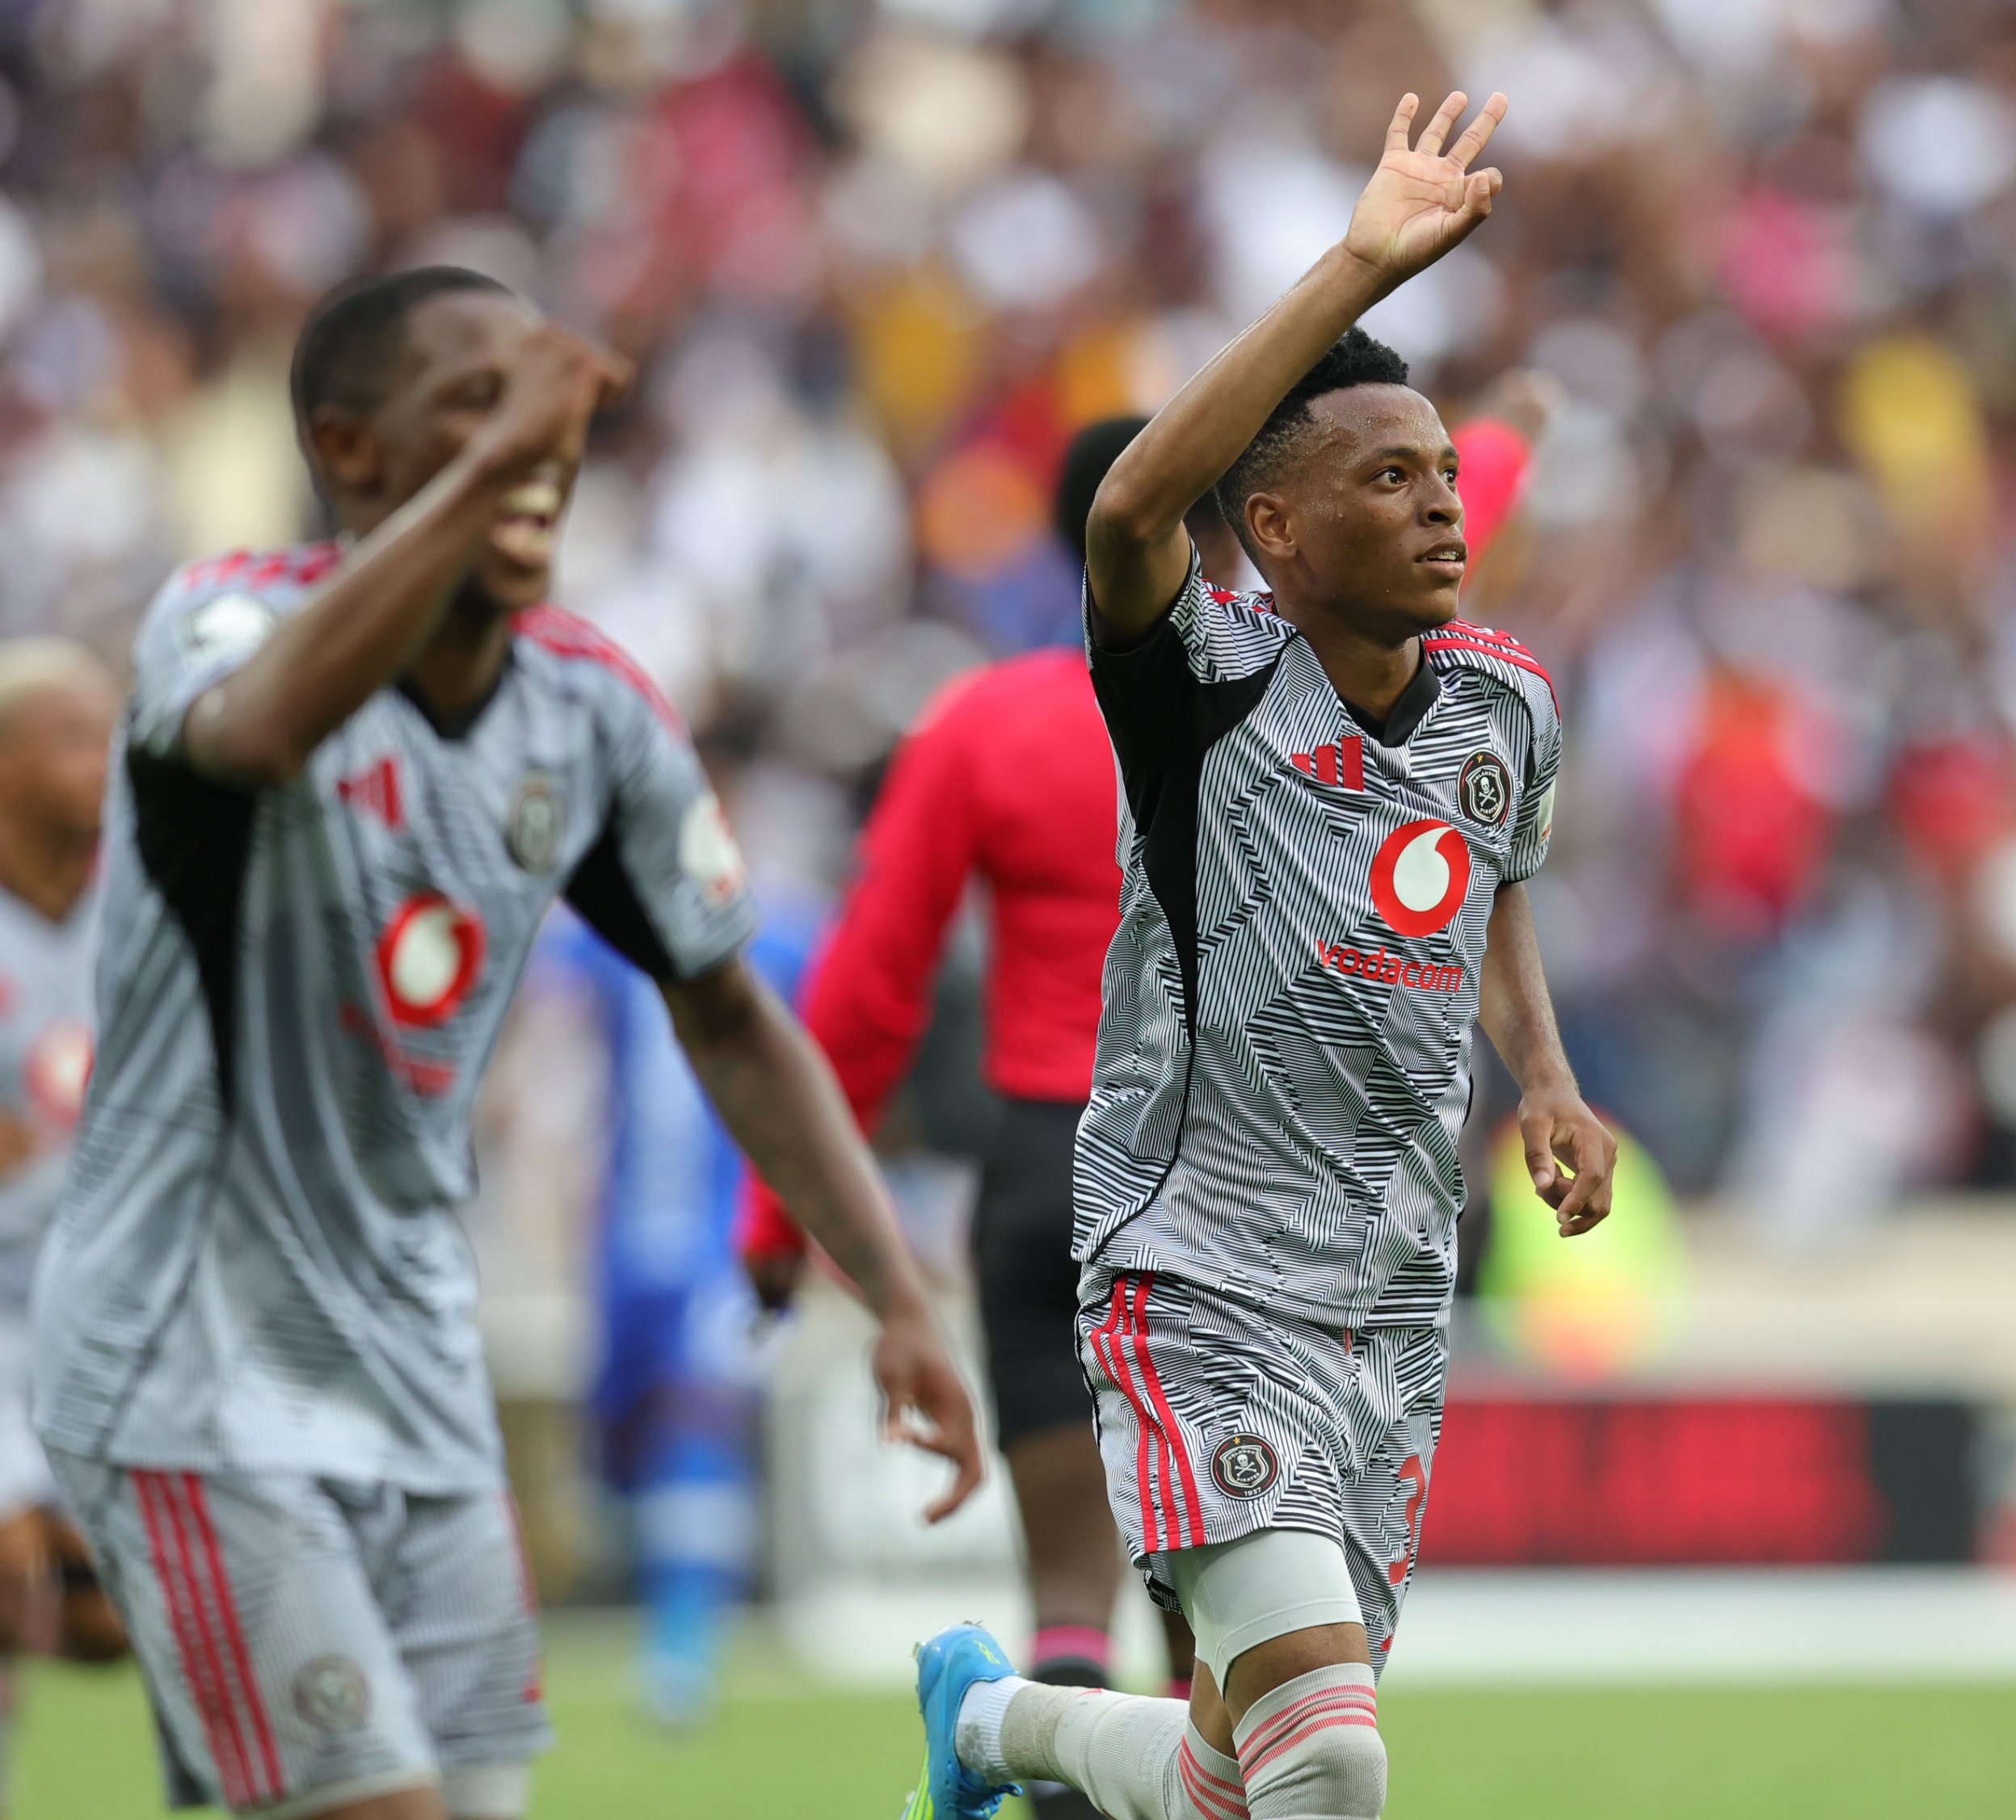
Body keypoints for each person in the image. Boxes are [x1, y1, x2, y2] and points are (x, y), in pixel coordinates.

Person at [30, 265, 983, 1820]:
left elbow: (728, 1008)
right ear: (352, 452)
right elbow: (260, 733)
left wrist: (889, 1287)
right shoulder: (224, 620)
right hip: (186, 1358)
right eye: (476, 407)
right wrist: (494, 466)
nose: (538, 442)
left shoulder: (587, 705)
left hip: (412, 1362)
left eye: (548, 408)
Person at [903, 90, 1617, 1820]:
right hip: (1195, 1273)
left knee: (1245, 1771)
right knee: (1334, 1773)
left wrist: (1544, 1075)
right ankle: (1001, 1729)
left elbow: (1487, 882)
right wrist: (1355, 261)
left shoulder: (1500, 701)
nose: (1444, 507)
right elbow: (1135, 506)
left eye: (1446, 473)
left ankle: (990, 1727)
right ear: (1279, 535)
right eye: (1388, 477)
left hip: (1388, 1286)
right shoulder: (1203, 685)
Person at [739, 422, 1236, 1820]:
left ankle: (1001, 1736)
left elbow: (864, 994)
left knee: (1072, 1592)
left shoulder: (987, 720)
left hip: (1046, 1162)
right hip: (1217, 1166)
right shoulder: (1284, 705)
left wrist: (777, 1219)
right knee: (1226, 1615)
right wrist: (1505, 439)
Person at [528, 868, 819, 1727]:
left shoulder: (790, 934)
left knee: (700, 1419)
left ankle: (682, 1649)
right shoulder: (611, 937)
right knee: (623, 1462)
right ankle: (664, 1602)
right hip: (622, 1252)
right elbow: (546, 1024)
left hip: (732, 1244)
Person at [0, 641, 127, 1814]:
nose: (107, 759)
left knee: (105, 1626)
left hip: (107, 1317)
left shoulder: (143, 914)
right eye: (72, 737)